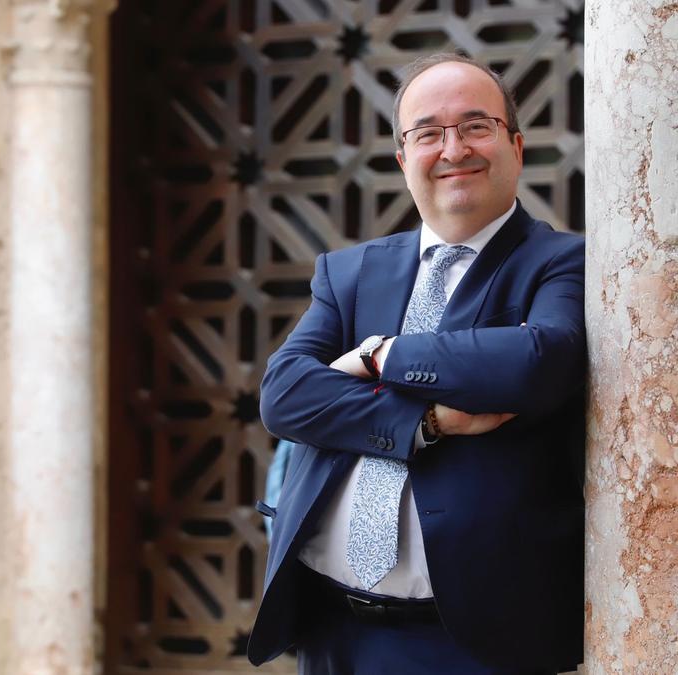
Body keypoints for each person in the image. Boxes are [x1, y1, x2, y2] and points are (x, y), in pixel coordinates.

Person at [247, 53, 586, 674]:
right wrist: (426, 422)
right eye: (428, 133)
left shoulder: (563, 262)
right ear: (405, 159)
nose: (453, 148)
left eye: (475, 126)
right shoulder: (348, 272)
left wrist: (381, 354)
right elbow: (285, 395)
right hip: (333, 634)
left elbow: (540, 361)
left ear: (515, 144)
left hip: (475, 643)